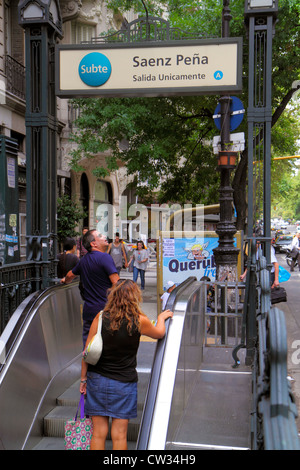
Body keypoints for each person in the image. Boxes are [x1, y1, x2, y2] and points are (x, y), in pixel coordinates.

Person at [80, 279, 173, 450]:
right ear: (134, 297)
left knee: (98, 433)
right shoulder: (139, 320)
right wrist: (161, 317)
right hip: (124, 383)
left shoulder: (100, 317)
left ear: (113, 295)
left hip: (97, 380)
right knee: (120, 435)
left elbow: (86, 352)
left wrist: (83, 380)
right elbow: (160, 333)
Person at [61, 230, 119, 346]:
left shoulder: (83, 260)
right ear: (93, 243)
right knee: (107, 347)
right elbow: (117, 284)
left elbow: (69, 275)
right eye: (100, 236)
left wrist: (64, 281)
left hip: (89, 312)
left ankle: (87, 364)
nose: (104, 237)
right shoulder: (105, 258)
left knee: (88, 348)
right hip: (106, 312)